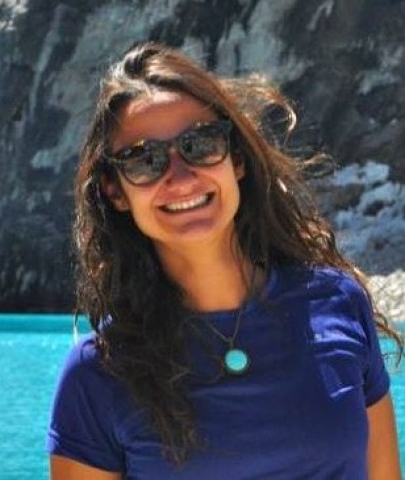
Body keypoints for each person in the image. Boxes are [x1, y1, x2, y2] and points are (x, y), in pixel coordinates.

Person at [46, 41, 403, 479]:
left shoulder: (338, 303)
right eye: (144, 159)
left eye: (200, 144)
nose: (180, 177)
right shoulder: (98, 374)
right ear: (115, 191)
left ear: (236, 159)